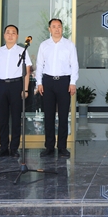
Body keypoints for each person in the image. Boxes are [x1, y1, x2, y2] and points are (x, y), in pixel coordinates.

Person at [36, 18, 79, 158]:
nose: (56, 29)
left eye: (59, 26)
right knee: (48, 116)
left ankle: (62, 147)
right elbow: (39, 65)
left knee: (63, 116)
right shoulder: (44, 45)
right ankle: (49, 146)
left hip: (64, 82)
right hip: (48, 82)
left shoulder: (69, 45)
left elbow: (74, 65)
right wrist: (39, 83)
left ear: (62, 28)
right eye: (54, 26)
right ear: (49, 29)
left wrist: (73, 82)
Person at [0, 25, 32, 158]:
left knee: (15, 119)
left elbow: (27, 72)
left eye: (13, 33)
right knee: (2, 119)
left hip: (16, 85)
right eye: (8, 32)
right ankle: (3, 147)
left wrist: (25, 89)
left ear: (17, 36)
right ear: (4, 35)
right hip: (1, 85)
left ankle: (14, 148)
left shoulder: (22, 51)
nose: (10, 35)